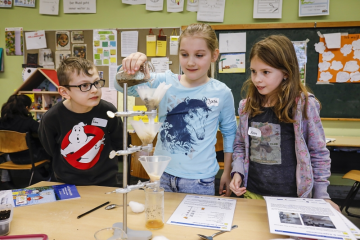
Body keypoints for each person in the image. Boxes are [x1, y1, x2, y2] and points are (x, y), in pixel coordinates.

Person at [114, 23, 237, 196]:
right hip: (161, 174)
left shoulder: (222, 92)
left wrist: (227, 171)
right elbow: (121, 85)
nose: (191, 62)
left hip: (199, 180)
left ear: (214, 55)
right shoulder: (164, 81)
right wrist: (131, 66)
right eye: (184, 54)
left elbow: (230, 132)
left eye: (199, 55)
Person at [229, 35, 340, 211]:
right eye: (253, 71)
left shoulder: (303, 105)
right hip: (252, 194)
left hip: (292, 199)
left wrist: (322, 196)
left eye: (265, 72)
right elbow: (241, 146)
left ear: (286, 73)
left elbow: (318, 153)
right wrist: (237, 172)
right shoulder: (246, 107)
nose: (257, 79)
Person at [38, 57, 123, 187]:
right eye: (84, 85)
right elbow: (50, 149)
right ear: (65, 92)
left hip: (105, 182)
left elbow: (119, 143)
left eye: (96, 82)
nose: (94, 89)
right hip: (66, 183)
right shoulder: (51, 118)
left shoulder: (108, 111)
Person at [0, 94, 51, 189]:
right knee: (50, 151)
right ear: (26, 108)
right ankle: (48, 178)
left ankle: (4, 180)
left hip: (11, 158)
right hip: (30, 158)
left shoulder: (2, 121)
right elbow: (43, 132)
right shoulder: (28, 122)